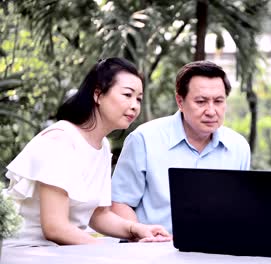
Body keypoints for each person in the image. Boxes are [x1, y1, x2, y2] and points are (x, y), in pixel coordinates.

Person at [3, 58, 171, 247]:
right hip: (28, 249)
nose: (134, 105)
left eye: (138, 98)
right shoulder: (60, 139)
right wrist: (108, 252)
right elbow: (55, 227)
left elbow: (99, 215)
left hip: (65, 251)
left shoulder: (103, 146)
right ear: (98, 95)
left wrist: (137, 229)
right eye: (127, 95)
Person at [111, 61, 251, 233]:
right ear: (180, 101)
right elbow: (119, 202)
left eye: (219, 101)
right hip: (154, 251)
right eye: (201, 101)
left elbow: (240, 209)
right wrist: (141, 236)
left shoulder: (238, 147)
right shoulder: (144, 140)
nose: (211, 111)